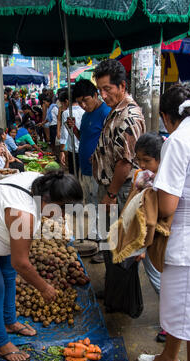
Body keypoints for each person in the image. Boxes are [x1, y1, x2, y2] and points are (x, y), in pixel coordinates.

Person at [0, 170, 83, 361]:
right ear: (50, 202)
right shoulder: (24, 215)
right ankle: (1, 343)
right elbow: (21, 262)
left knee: (8, 273)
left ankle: (10, 321)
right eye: (63, 210)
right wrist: (44, 288)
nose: (63, 216)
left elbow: (15, 263)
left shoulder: (43, 182)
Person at [137, 84, 190, 361]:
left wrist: (145, 195)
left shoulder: (178, 140)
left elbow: (167, 206)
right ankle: (169, 358)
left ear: (167, 118)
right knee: (179, 306)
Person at [90, 59, 145, 264]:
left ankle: (122, 292)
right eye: (100, 90)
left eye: (107, 89)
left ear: (122, 86)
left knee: (120, 244)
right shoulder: (115, 110)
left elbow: (125, 162)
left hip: (120, 190)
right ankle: (113, 287)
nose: (103, 95)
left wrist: (111, 194)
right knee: (110, 243)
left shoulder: (128, 116)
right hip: (112, 188)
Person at [65, 79, 111, 241]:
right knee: (90, 204)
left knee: (98, 206)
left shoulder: (106, 113)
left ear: (95, 95)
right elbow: (82, 138)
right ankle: (94, 236)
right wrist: (74, 129)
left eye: (86, 100)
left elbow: (110, 142)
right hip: (84, 167)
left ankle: (101, 241)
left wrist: (100, 155)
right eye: (79, 102)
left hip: (99, 170)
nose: (83, 105)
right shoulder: (85, 116)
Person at [133, 132, 165, 342]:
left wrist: (143, 248)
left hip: (154, 239)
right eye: (139, 160)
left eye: (147, 160)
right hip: (149, 236)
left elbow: (151, 221)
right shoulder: (142, 176)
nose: (143, 164)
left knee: (161, 283)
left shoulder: (160, 181)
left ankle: (169, 326)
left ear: (160, 158)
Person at [59, 88, 85, 176]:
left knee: (74, 174)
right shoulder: (84, 110)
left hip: (73, 149)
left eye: (62, 103)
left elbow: (64, 134)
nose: (62, 105)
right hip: (84, 149)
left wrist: (62, 151)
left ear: (66, 101)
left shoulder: (66, 113)